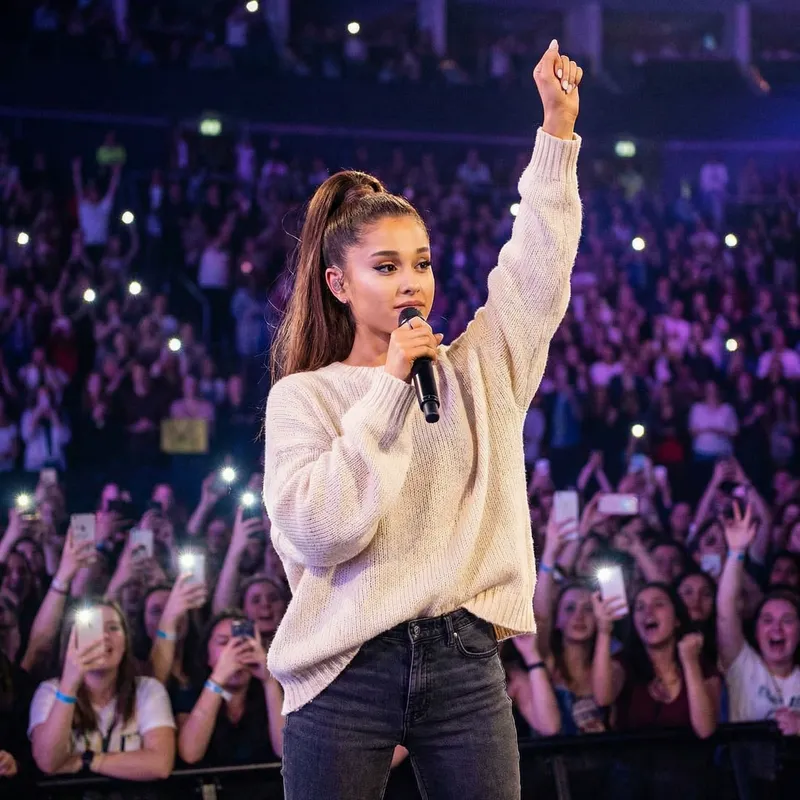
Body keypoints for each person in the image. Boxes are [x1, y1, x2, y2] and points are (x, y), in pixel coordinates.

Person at [263, 40, 584, 799]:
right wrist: (389, 391)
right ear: (338, 283)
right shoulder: (304, 398)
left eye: (423, 262)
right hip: (344, 665)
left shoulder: (478, 365)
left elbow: (537, 271)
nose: (412, 281)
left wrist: (558, 132)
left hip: (465, 659)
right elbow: (323, 532)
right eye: (387, 267)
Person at [28, 600, 176, 778]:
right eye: (91, 627)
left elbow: (160, 765)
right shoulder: (50, 691)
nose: (104, 636)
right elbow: (47, 761)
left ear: (126, 641)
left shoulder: (148, 689)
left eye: (113, 628)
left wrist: (88, 761)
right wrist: (69, 686)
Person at [717, 504, 800, 733]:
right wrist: (736, 552)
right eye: (767, 620)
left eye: (787, 620)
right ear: (755, 631)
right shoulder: (742, 665)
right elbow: (725, 613)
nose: (777, 628)